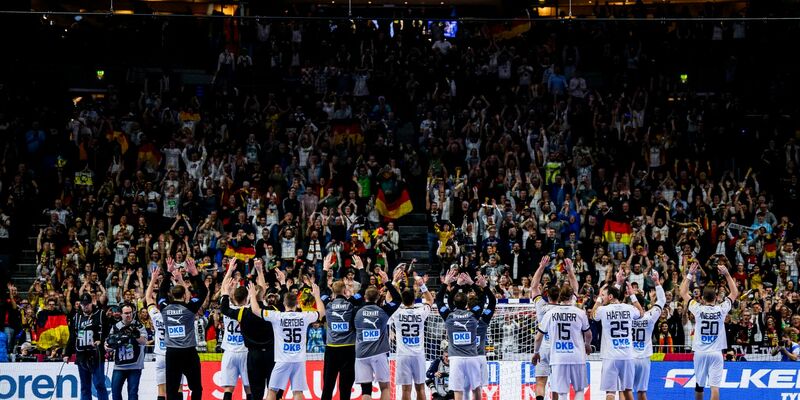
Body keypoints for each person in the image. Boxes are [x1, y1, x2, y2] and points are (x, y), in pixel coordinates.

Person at [249, 279, 325, 400]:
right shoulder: (304, 316)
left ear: (284, 303)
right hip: (299, 360)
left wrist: (252, 295)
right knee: (298, 392)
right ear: (297, 303)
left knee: (272, 391)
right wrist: (317, 295)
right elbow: (322, 312)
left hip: (282, 360)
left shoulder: (277, 316)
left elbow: (255, 310)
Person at [219, 259, 283, 400]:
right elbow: (262, 292)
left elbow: (224, 295)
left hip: (232, 352)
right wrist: (259, 271)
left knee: (230, 389)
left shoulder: (236, 311)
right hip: (249, 352)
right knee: (255, 389)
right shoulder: (260, 310)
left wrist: (229, 272)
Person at [680, 261, 738, 400]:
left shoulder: (698, 308)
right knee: (715, 388)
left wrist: (690, 274)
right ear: (716, 297)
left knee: (699, 385)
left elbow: (682, 292)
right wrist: (727, 274)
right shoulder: (721, 309)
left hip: (700, 353)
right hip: (716, 353)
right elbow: (734, 293)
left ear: (702, 298)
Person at [157, 257, 208, 400]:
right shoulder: (190, 308)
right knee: (196, 387)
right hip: (189, 353)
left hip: (172, 353)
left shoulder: (164, 308)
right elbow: (203, 292)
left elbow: (161, 292)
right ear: (185, 295)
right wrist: (194, 274)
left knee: (172, 389)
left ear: (171, 295)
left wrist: (168, 273)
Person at [534, 284, 592, 400]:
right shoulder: (580, 312)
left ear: (560, 296)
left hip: (558, 356)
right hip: (577, 356)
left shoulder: (550, 313)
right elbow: (588, 334)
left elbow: (538, 338)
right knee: (579, 390)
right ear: (572, 296)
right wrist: (587, 345)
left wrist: (536, 352)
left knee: (562, 393)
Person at [590, 277, 644, 400]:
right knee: (627, 390)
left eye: (603, 295)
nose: (602, 297)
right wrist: (632, 295)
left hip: (611, 356)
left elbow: (593, 315)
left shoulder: (603, 310)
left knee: (610, 392)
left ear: (610, 297)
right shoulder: (629, 308)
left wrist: (598, 299)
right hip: (627, 355)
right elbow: (641, 313)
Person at [320, 254, 364, 400]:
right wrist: (360, 269)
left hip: (331, 349)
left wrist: (325, 269)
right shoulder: (351, 303)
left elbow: (321, 289)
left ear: (333, 291)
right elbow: (363, 289)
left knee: (327, 387)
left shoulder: (328, 303)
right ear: (345, 291)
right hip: (349, 349)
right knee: (345, 389)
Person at [354, 266, 401, 400]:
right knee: (385, 387)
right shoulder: (383, 311)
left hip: (361, 355)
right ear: (379, 297)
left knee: (366, 392)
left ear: (364, 297)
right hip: (379, 354)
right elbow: (397, 300)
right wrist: (388, 283)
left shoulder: (356, 311)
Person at [436, 269, 484, 400]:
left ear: (454, 304)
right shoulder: (473, 314)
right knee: (476, 388)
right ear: (467, 304)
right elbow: (482, 299)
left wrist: (449, 283)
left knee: (458, 390)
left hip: (456, 359)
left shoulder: (449, 315)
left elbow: (439, 300)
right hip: (472, 357)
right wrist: (472, 283)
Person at [389, 271, 434, 400]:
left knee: (405, 389)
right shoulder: (421, 311)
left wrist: (393, 281)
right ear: (414, 299)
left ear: (401, 300)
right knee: (420, 388)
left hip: (403, 355)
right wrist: (422, 285)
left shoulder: (397, 312)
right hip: (418, 355)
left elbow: (388, 300)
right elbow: (430, 300)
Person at [64, 293, 109, 400]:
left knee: (99, 384)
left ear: (91, 303)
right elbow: (72, 336)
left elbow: (107, 331)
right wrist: (67, 353)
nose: (85, 306)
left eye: (87, 304)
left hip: (97, 355)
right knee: (85, 386)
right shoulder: (76, 317)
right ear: (80, 304)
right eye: (83, 304)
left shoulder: (100, 314)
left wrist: (101, 341)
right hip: (81, 356)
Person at [631, 270, 666, 400]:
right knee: (642, 393)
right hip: (644, 358)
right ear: (644, 305)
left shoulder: (626, 317)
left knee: (625, 391)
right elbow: (662, 300)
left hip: (629, 357)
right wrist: (656, 282)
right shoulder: (650, 316)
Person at [218, 260, 250, 400]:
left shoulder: (227, 310)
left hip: (229, 353)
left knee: (228, 389)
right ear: (247, 298)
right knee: (249, 388)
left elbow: (223, 290)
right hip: (245, 352)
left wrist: (230, 270)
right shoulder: (249, 311)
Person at [106, 303, 148, 400]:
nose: (128, 315)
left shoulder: (139, 325)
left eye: (130, 313)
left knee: (132, 394)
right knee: (115, 392)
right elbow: (109, 343)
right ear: (121, 314)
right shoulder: (115, 327)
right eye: (126, 313)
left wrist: (137, 335)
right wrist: (107, 347)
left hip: (135, 365)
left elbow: (144, 342)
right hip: (119, 365)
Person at [145, 269, 167, 400]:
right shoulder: (176, 315)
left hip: (160, 355)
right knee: (178, 388)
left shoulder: (156, 315)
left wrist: (153, 279)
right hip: (174, 354)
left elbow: (148, 297)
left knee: (161, 390)